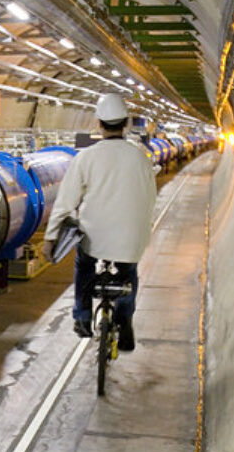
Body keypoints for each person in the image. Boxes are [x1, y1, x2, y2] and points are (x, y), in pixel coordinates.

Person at [41, 93, 156, 351]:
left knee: (84, 265)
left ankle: (82, 316)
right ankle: (124, 319)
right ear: (126, 123)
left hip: (96, 237)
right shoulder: (140, 157)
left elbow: (65, 203)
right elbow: (150, 198)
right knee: (128, 272)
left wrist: (50, 239)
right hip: (130, 238)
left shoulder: (86, 157)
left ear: (99, 124)